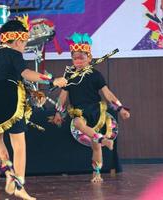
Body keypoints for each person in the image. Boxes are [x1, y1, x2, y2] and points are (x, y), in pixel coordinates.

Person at [0, 17, 67, 200]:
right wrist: (52, 80)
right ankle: (19, 184)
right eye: (24, 43)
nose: (23, 47)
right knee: (19, 145)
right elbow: (26, 73)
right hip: (9, 101)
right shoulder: (15, 55)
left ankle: (9, 173)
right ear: (17, 41)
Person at [51, 32, 130, 183]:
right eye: (75, 58)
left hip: (95, 111)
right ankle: (104, 140)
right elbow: (62, 96)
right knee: (78, 123)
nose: (78, 61)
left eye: (82, 58)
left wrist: (121, 109)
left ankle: (97, 173)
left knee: (95, 147)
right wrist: (58, 112)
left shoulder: (96, 75)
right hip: (79, 111)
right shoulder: (68, 76)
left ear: (89, 58)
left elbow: (108, 94)